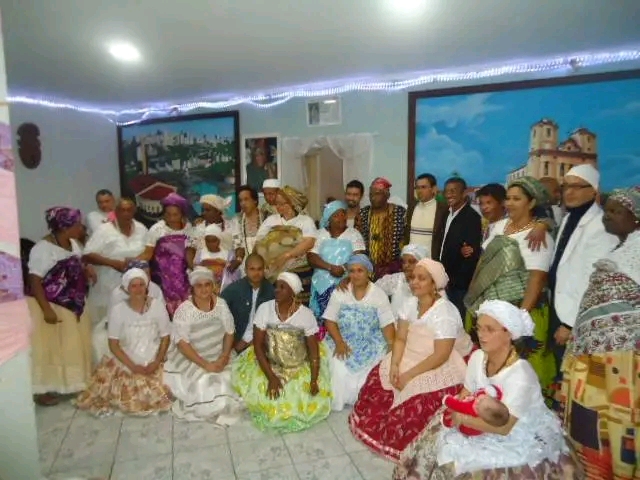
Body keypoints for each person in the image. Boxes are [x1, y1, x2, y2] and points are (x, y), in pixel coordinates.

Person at [394, 300, 578, 479]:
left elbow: (505, 428)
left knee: (469, 466)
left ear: (509, 333)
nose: (481, 335)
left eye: (489, 329)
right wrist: (456, 408)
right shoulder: (477, 357)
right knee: (437, 438)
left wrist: (463, 419)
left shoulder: (521, 374)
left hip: (516, 431)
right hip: (479, 414)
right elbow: (466, 392)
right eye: (479, 328)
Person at [349, 258, 472, 460]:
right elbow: (401, 339)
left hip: (436, 360)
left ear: (434, 284)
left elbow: (441, 355)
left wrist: (408, 376)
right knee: (379, 376)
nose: (414, 282)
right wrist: (395, 365)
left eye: (421, 278)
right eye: (413, 277)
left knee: (417, 399)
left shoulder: (445, 312)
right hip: (410, 352)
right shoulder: (409, 304)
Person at [559, 187, 640, 480]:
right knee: (592, 424)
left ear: (636, 217)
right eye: (607, 210)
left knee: (621, 422)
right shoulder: (618, 251)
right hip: (593, 358)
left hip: (624, 362)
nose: (608, 216)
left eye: (617, 211)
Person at [464, 176, 556, 390]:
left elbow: (536, 279)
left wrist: (520, 319)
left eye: (517, 199)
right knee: (487, 365)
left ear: (531, 203)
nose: (510, 203)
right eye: (508, 198)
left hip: (520, 310)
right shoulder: (499, 226)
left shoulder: (538, 236)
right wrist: (473, 295)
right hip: (488, 309)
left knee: (516, 371)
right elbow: (483, 262)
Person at [232, 272, 331, 433]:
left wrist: (313, 380)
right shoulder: (265, 309)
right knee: (268, 396)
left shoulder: (306, 315)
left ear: (293, 292)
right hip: (268, 360)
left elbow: (313, 352)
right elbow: (258, 346)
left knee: (299, 397)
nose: (277, 290)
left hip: (297, 363)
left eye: (282, 287)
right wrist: (271, 377)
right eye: (276, 286)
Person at [75, 268, 172, 416]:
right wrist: (132, 366)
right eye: (134, 286)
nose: (138, 289)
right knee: (129, 387)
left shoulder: (157, 306)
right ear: (127, 289)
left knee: (169, 385)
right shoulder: (118, 310)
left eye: (141, 285)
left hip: (153, 353)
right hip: (127, 356)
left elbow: (165, 337)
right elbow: (113, 344)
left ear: (146, 286)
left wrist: (156, 362)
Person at [547, 165, 617, 371]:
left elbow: (594, 280)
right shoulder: (570, 217)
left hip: (576, 316)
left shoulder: (601, 226)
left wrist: (570, 323)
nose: (569, 192)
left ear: (594, 190)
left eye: (577, 187)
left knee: (576, 373)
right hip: (560, 305)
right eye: (566, 186)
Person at [26, 207, 94, 406]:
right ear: (64, 227)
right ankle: (42, 390)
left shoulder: (73, 243)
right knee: (49, 348)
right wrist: (46, 309)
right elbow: (34, 280)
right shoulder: (43, 248)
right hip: (50, 304)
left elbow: (76, 264)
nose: (81, 228)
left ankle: (72, 383)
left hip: (72, 303)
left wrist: (87, 270)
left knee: (71, 345)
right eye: (77, 225)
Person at [164, 267, 243, 423]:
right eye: (199, 286)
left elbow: (229, 332)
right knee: (206, 383)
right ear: (192, 288)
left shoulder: (221, 304)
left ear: (213, 286)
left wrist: (224, 356)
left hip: (219, 352)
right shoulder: (184, 310)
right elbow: (182, 344)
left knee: (232, 379)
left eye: (207, 284)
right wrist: (206, 365)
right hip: (193, 356)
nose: (204, 289)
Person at [323, 254, 396, 411]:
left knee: (370, 372)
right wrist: (339, 342)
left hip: (370, 342)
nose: (355, 275)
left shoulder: (378, 295)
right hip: (341, 338)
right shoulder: (340, 292)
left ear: (368, 272)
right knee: (338, 365)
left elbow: (387, 324)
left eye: (360, 271)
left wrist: (391, 349)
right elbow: (329, 319)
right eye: (352, 271)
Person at [83, 198, 148, 344]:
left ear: (134, 211)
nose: (126, 213)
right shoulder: (104, 230)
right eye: (122, 210)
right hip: (107, 287)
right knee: (105, 331)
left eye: (129, 210)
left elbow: (149, 252)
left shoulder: (142, 229)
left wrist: (135, 262)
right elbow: (87, 255)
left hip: (134, 289)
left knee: (132, 330)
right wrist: (113, 263)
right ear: (115, 212)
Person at [92, 260, 165, 363]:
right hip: (125, 330)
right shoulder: (117, 294)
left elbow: (161, 316)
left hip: (151, 327)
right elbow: (113, 320)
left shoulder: (155, 289)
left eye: (147, 274)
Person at [307, 200, 365, 329]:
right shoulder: (319, 234)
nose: (341, 218)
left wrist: (344, 269)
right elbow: (311, 257)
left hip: (347, 281)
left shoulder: (354, 234)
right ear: (329, 218)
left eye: (343, 214)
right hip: (321, 284)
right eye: (336, 215)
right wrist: (330, 268)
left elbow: (359, 257)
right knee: (323, 322)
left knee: (344, 321)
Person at [254, 186, 317, 305]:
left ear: (292, 203)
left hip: (296, 270)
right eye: (277, 204)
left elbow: (309, 242)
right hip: (271, 271)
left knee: (295, 305)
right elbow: (259, 242)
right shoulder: (271, 220)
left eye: (283, 204)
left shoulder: (305, 221)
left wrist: (286, 256)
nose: (279, 207)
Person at [434, 177, 482, 318]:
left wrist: (454, 281)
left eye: (453, 191)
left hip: (458, 285)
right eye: (446, 191)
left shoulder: (472, 217)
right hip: (442, 277)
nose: (448, 195)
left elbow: (470, 254)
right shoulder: (446, 214)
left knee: (457, 319)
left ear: (464, 193)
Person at [138, 193, 192, 316]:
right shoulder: (157, 229)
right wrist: (131, 262)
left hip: (185, 278)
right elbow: (147, 254)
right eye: (168, 214)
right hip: (163, 279)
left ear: (182, 214)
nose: (171, 218)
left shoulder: (189, 229)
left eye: (175, 214)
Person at [219, 253, 275, 353]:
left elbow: (275, 321)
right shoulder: (234, 289)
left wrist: (257, 341)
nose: (256, 273)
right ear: (245, 270)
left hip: (262, 340)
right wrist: (234, 341)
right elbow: (219, 311)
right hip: (237, 341)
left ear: (264, 270)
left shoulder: (271, 291)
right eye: (252, 269)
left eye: (259, 269)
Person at [357, 177, 407, 279]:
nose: (373, 198)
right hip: (368, 269)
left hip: (393, 270)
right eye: (371, 194)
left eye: (377, 194)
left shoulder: (400, 213)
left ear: (387, 195)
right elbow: (358, 241)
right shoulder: (363, 213)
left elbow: (406, 239)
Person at [404, 173, 448, 257]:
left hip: (431, 260)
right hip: (412, 259)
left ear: (433, 189)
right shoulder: (411, 207)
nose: (419, 191)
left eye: (423, 187)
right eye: (417, 187)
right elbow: (406, 234)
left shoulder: (443, 209)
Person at [188, 194, 235, 268]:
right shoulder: (199, 228)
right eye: (203, 210)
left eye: (207, 210)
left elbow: (239, 247)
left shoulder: (231, 227)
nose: (203, 213)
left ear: (218, 211)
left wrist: (236, 262)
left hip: (227, 270)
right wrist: (193, 267)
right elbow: (190, 248)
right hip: (202, 271)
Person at [194, 223, 239, 291]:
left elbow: (234, 275)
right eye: (208, 241)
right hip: (204, 290)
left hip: (224, 289)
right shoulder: (200, 254)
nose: (210, 244)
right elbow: (196, 273)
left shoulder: (228, 254)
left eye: (213, 241)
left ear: (219, 240)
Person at [231, 185, 265, 271]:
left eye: (246, 199)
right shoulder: (237, 220)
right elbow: (238, 245)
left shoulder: (266, 217)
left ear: (255, 200)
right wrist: (238, 259)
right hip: (245, 266)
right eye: (240, 200)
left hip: (265, 264)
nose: (243, 203)